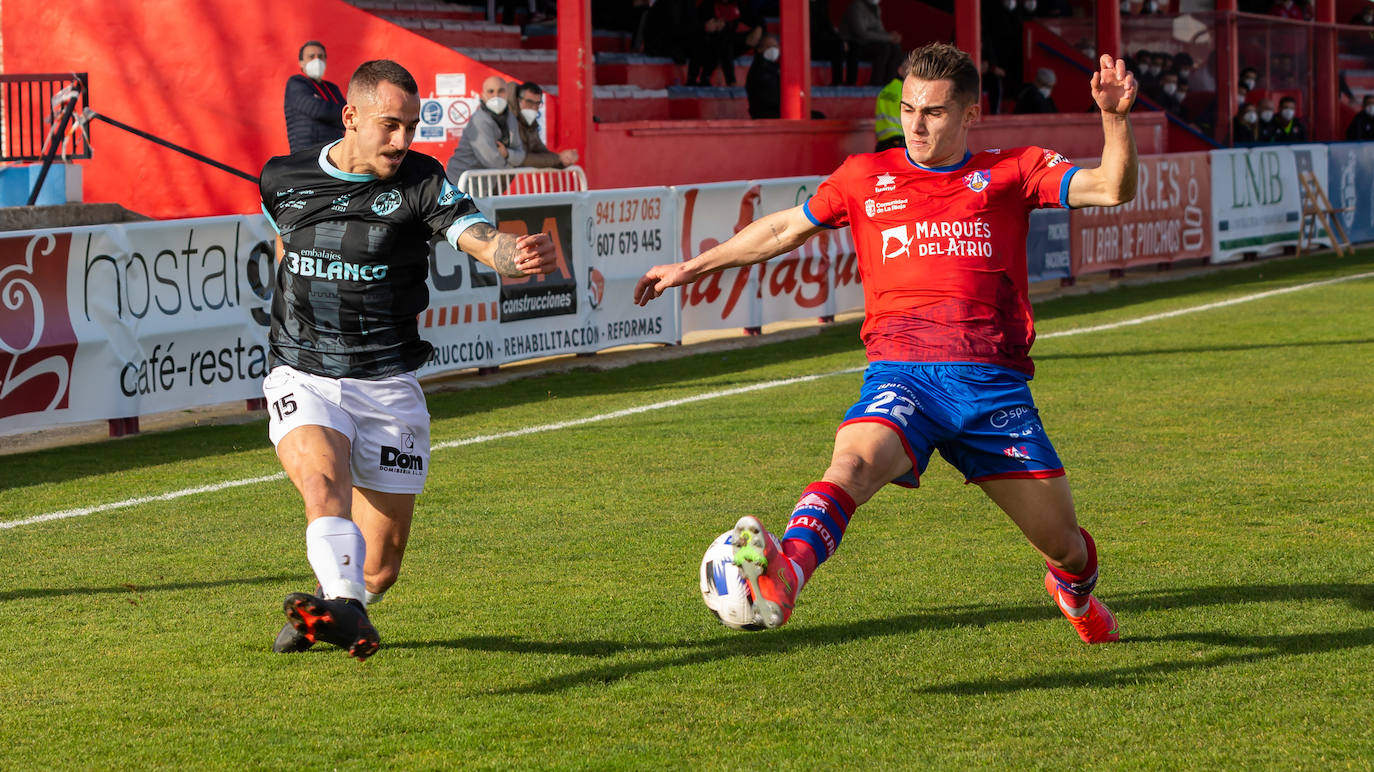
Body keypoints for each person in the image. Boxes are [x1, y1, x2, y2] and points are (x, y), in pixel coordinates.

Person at [633, 43, 1138, 643]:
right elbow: (783, 229)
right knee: (850, 465)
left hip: (991, 388)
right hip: (903, 374)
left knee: (1067, 545)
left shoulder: (1014, 169)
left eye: (934, 112)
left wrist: (1113, 117)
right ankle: (787, 573)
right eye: (908, 109)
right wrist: (694, 266)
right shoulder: (864, 176)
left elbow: (1113, 187)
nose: (916, 124)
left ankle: (1074, 593)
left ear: (970, 115)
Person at [259, 60, 557, 660]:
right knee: (323, 487)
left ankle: (335, 602)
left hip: (387, 382)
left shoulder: (422, 179)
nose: (402, 140)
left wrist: (510, 254)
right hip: (303, 370)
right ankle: (348, 611)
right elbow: (284, 243)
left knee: (381, 568)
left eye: (411, 127)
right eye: (388, 126)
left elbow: (474, 234)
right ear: (350, 118)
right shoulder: (282, 178)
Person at [446, 76, 526, 181]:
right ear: (483, 96)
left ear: (507, 94)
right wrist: (511, 169)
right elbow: (491, 159)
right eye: (491, 92)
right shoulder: (480, 120)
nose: (496, 96)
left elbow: (520, 152)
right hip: (460, 182)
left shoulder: (511, 119)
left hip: (484, 184)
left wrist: (507, 153)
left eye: (501, 91)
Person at [284, 40, 346, 153]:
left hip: (332, 155)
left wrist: (326, 110)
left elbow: (346, 117)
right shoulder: (296, 83)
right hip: (306, 156)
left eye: (321, 56)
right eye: (311, 56)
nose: (317, 60)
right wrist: (335, 113)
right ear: (301, 63)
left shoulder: (332, 88)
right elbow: (317, 110)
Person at [688, 0, 763, 87]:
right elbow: (692, 26)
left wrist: (759, 27)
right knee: (719, 40)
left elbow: (757, 19)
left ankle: (729, 80)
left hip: (731, 44)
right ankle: (699, 78)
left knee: (727, 40)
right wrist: (705, 27)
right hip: (707, 45)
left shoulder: (739, 5)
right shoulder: (707, 5)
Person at [512, 82, 579, 167]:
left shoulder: (530, 125)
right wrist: (558, 158)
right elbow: (519, 158)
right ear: (518, 100)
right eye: (529, 102)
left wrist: (564, 159)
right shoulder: (507, 119)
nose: (533, 108)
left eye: (537, 104)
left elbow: (540, 151)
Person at [840, 0, 903, 86]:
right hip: (856, 44)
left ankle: (889, 83)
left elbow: (880, 30)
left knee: (895, 47)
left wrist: (892, 37)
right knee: (884, 48)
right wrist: (888, 38)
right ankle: (875, 83)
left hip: (871, 44)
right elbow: (861, 33)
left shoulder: (875, 8)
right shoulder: (856, 7)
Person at [810, 0, 849, 85]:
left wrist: (841, 40)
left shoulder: (821, 4)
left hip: (823, 43)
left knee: (840, 44)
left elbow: (828, 26)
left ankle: (839, 81)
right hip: (810, 45)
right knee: (836, 44)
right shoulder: (803, 6)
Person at [874, 58, 908, 150]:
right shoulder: (907, 91)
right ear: (900, 70)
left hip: (882, 143)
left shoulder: (884, 91)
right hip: (899, 142)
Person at [746, 35, 782, 118]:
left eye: (775, 46)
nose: (773, 50)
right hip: (765, 114)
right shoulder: (758, 70)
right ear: (760, 49)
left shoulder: (775, 67)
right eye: (769, 47)